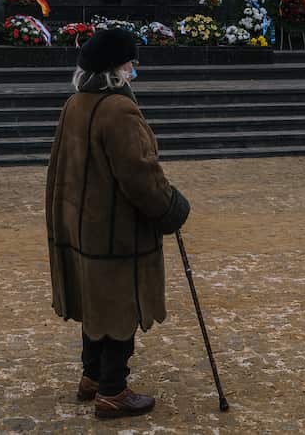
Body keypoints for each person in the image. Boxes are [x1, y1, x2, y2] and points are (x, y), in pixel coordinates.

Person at [46, 28, 190, 420]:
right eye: (130, 63)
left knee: (97, 303)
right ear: (115, 69)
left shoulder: (75, 103)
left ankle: (91, 377)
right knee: (119, 305)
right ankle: (113, 390)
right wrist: (172, 209)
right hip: (115, 230)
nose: (133, 69)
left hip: (83, 226)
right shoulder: (118, 110)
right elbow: (140, 175)